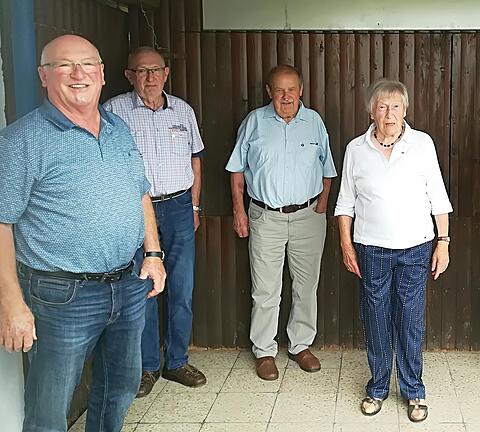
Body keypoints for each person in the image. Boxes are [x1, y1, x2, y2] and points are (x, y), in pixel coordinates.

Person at [0, 35, 166, 431]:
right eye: (64, 65)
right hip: (61, 296)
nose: (78, 74)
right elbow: (2, 222)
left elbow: (139, 192)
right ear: (44, 75)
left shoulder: (118, 128)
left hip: (127, 285)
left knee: (119, 389)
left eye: (88, 64)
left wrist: (154, 254)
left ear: (103, 74)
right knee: (49, 406)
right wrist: (11, 303)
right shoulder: (21, 141)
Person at [335, 79, 453, 422]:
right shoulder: (357, 149)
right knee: (375, 319)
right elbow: (345, 203)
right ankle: (377, 388)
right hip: (371, 248)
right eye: (383, 107)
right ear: (371, 111)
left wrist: (443, 242)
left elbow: (439, 198)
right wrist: (346, 244)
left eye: (396, 107)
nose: (389, 114)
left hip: (416, 247)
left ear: (405, 110)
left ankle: (414, 391)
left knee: (410, 318)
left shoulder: (422, 144)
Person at [104, 46, 206, 398]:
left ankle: (176, 361)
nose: (149, 78)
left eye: (155, 70)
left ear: (166, 73)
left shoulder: (183, 111)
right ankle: (147, 367)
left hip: (179, 207)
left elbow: (196, 161)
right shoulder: (113, 112)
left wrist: (194, 207)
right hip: (134, 211)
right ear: (129, 75)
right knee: (143, 289)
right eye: (141, 71)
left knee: (182, 287)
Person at [226, 65, 336, 380]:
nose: (286, 96)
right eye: (279, 90)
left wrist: (322, 206)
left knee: (306, 286)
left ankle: (300, 345)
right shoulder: (254, 123)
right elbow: (236, 170)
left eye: (291, 89)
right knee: (265, 289)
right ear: (268, 91)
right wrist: (239, 211)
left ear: (301, 90)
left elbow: (327, 169)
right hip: (265, 217)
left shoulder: (314, 122)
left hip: (308, 216)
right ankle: (264, 351)